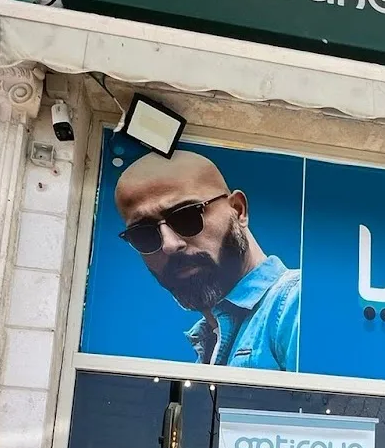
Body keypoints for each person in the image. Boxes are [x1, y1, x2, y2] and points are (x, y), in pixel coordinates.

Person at [114, 150, 301, 370]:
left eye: (187, 217)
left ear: (238, 210)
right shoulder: (211, 340)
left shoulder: (298, 304)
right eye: (143, 235)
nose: (170, 245)